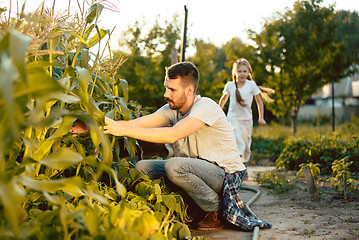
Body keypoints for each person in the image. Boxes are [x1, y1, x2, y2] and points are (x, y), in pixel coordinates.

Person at [70, 61, 271, 231]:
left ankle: (214, 209)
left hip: (225, 175)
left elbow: (173, 133)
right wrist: (91, 125)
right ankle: (187, 206)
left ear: (189, 90)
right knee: (143, 167)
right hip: (198, 170)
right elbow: (134, 123)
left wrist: (123, 131)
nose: (166, 94)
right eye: (166, 87)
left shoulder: (205, 107)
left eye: (172, 89)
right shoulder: (172, 109)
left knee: (174, 165)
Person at [219, 58, 274, 166]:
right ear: (235, 72)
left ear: (249, 72)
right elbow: (223, 99)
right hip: (233, 118)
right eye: (239, 71)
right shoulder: (230, 85)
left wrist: (261, 117)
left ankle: (243, 166)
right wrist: (217, 112)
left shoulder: (251, 85)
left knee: (245, 145)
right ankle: (236, 165)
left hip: (247, 119)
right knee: (236, 139)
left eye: (245, 71)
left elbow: (259, 101)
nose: (242, 74)